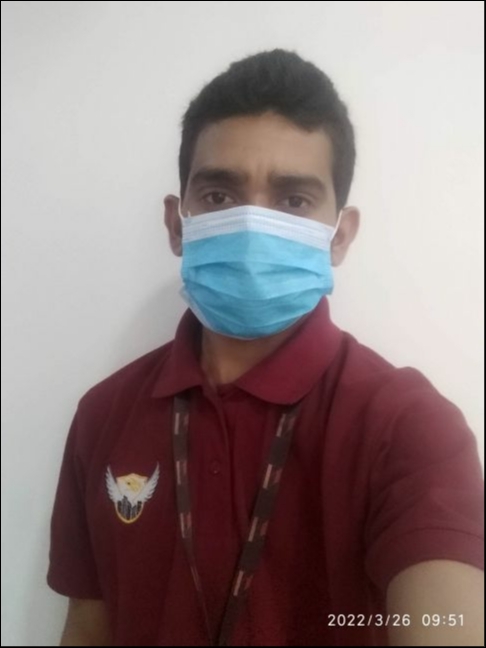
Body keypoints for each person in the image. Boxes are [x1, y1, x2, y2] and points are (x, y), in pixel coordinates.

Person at [48, 49, 484, 646]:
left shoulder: (408, 425)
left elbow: (447, 624)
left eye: (293, 201)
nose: (252, 227)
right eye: (219, 196)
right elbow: (87, 626)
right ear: (177, 225)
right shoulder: (103, 413)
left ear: (339, 237)